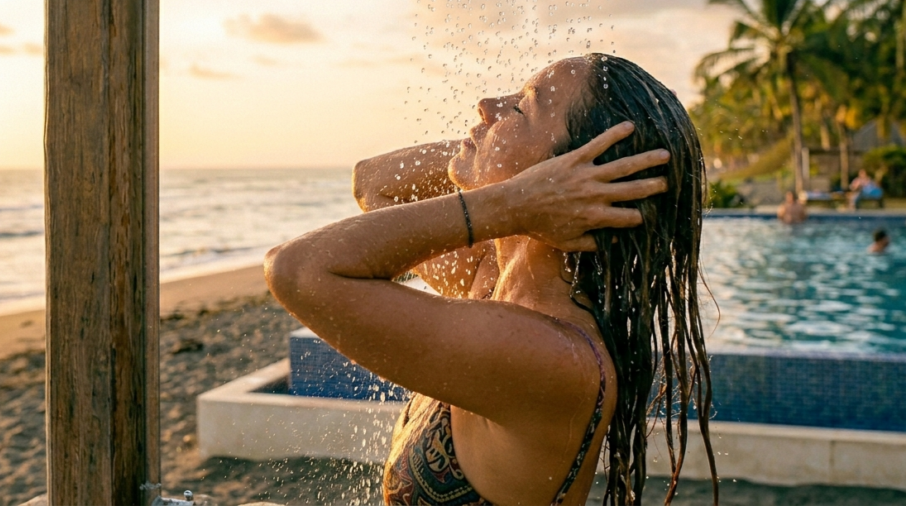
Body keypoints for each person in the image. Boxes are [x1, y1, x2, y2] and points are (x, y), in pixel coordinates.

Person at [265, 54, 718, 506]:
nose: (486, 104)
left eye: (522, 108)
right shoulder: (492, 280)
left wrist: (513, 198)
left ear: (565, 171)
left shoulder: (558, 359)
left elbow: (298, 271)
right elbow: (373, 182)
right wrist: (500, 163)